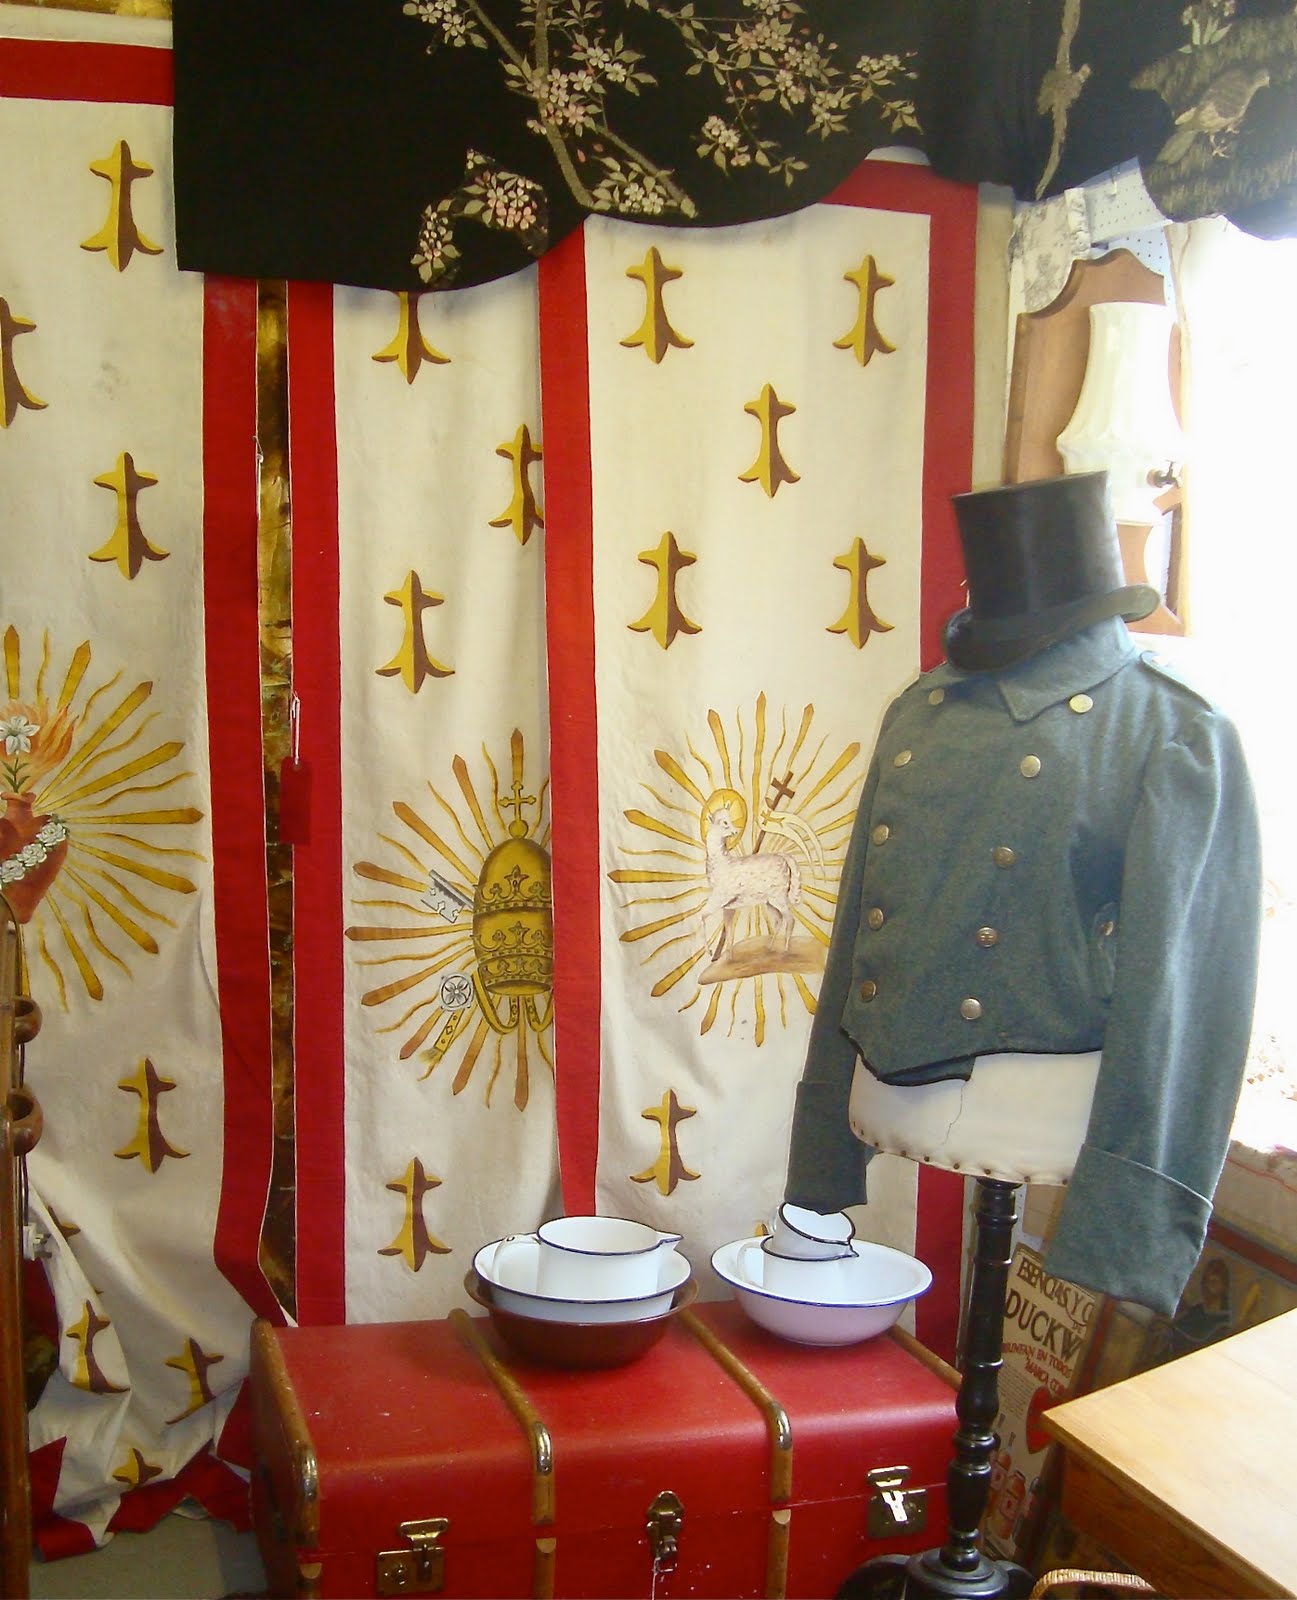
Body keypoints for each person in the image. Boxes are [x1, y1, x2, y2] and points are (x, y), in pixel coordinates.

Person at [784, 471, 1262, 1316]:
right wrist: (823, 1143)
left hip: (1047, 1095)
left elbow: (1188, 996)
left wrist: (1135, 1217)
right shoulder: (920, 708)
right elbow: (860, 924)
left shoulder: (1173, 728)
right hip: (885, 1081)